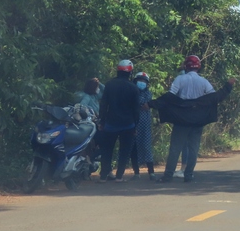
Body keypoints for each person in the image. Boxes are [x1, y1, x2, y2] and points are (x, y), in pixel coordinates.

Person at [156, 55, 231, 183]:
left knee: (175, 148)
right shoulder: (204, 82)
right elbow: (213, 97)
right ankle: (189, 175)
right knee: (194, 149)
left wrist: (154, 103)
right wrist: (228, 87)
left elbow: (170, 96)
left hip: (181, 120)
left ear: (186, 66)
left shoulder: (180, 79)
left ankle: (168, 175)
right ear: (198, 67)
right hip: (197, 121)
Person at [98, 59, 140, 183]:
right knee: (124, 151)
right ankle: (119, 176)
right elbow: (136, 110)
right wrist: (135, 126)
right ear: (130, 73)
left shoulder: (110, 85)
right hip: (128, 124)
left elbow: (104, 105)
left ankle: (103, 176)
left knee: (106, 150)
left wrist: (102, 121)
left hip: (110, 123)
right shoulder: (133, 88)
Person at [129, 72, 155, 180]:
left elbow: (145, 104)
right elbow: (136, 103)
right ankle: (136, 172)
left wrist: (139, 105)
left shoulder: (148, 93)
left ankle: (151, 172)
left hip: (145, 125)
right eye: (140, 81)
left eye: (144, 81)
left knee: (146, 146)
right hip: (133, 123)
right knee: (133, 147)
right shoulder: (130, 92)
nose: (142, 83)